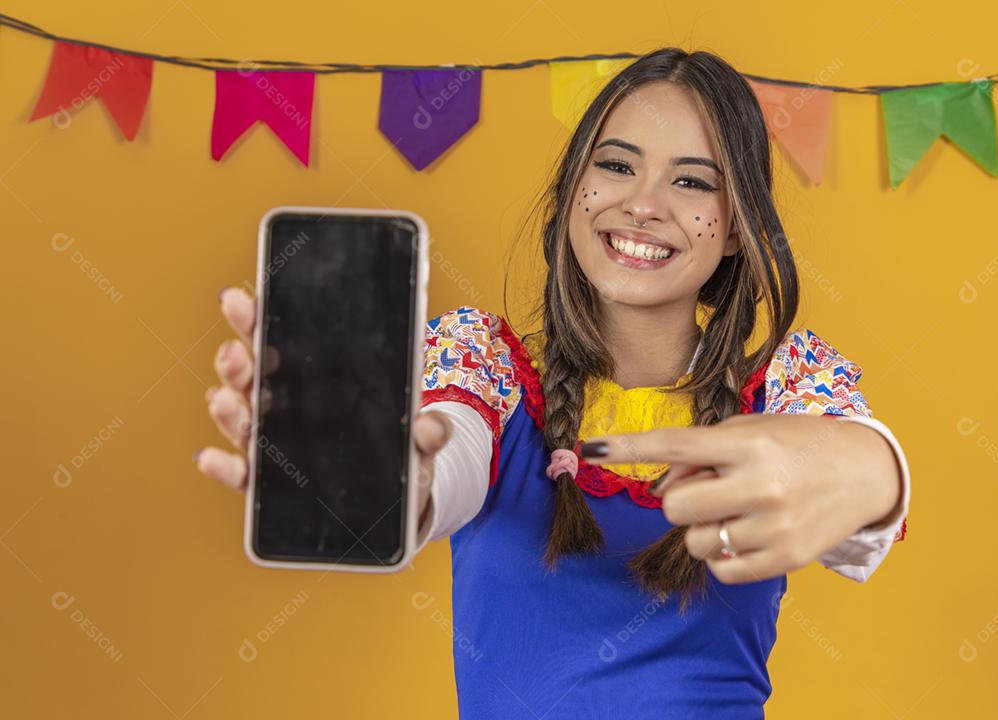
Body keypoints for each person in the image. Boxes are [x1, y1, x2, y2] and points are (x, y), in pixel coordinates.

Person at [196, 48, 910, 719]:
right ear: (574, 191)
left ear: (734, 227)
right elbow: (448, 460)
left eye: (691, 181)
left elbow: (858, 472)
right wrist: (390, 482)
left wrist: (864, 471)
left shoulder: (785, 387)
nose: (643, 204)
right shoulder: (486, 369)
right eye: (616, 165)